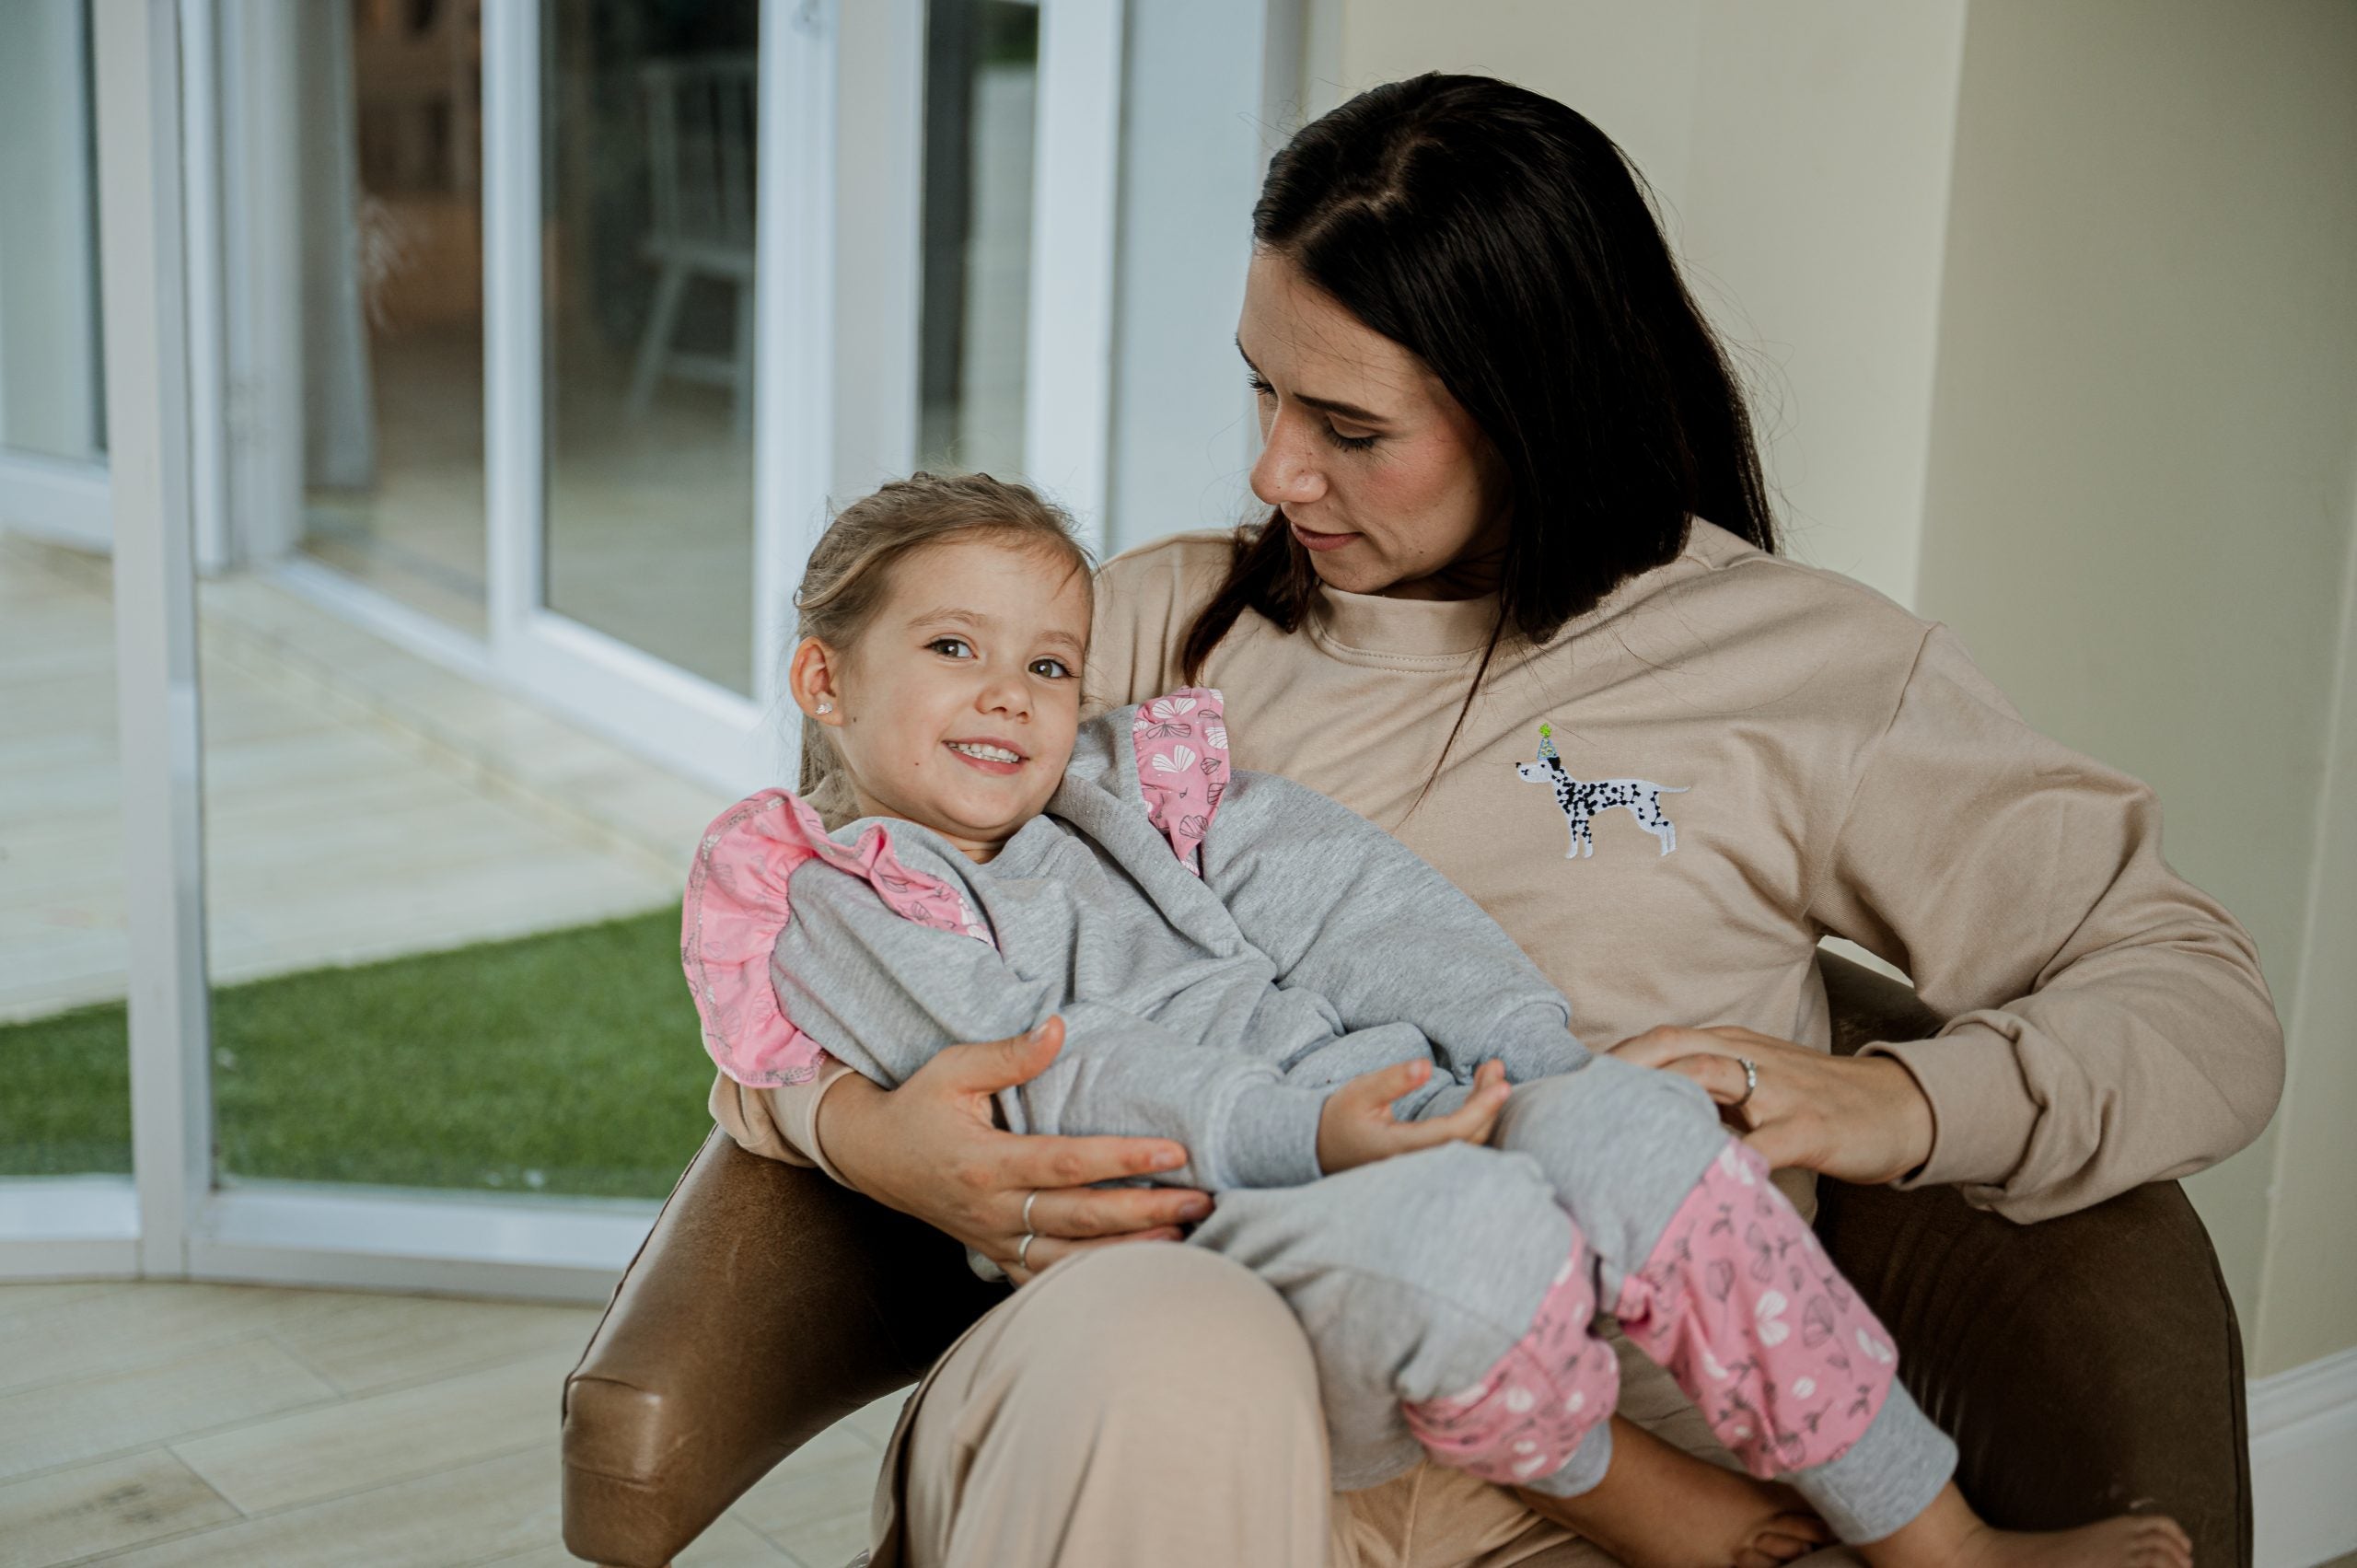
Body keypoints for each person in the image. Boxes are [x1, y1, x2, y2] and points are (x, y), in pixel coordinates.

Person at [711, 75, 2282, 1568]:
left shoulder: (1810, 671)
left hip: (1554, 1474)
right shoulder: (1144, 630)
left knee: (1524, 1199)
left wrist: (1896, 1105)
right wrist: (865, 1139)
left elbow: (2202, 1006)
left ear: (1536, 407)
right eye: (1262, 390)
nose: (1272, 468)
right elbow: (836, 887)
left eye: (1351, 427)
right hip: (1163, 1384)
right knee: (1171, 1345)